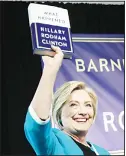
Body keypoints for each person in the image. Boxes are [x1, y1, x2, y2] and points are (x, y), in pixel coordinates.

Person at [24, 45, 110, 155]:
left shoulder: (103, 153)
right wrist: (50, 70)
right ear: (59, 113)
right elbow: (36, 124)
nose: (83, 112)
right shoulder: (54, 144)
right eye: (74, 104)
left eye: (88, 105)